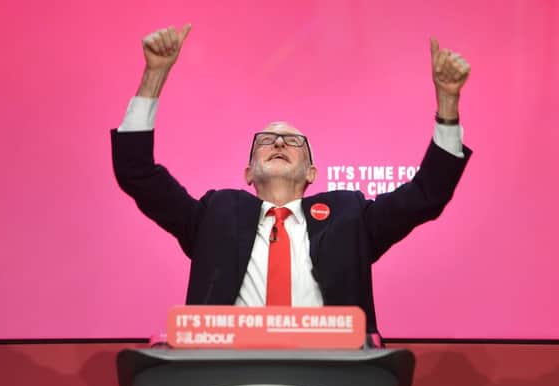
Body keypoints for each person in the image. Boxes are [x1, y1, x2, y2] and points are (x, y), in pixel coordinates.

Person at [111, 24, 472, 348]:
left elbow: (429, 193)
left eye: (293, 141)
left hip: (333, 381)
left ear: (312, 173)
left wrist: (448, 102)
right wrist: (154, 75)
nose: (280, 143)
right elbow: (137, 172)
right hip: (221, 379)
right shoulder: (214, 214)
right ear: (248, 173)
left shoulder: (350, 217)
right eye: (267, 139)